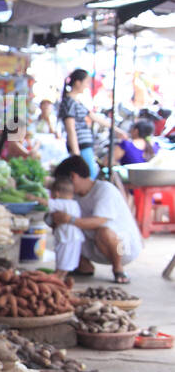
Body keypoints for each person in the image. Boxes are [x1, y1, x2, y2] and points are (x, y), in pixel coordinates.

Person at [50, 155, 142, 284]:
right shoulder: (72, 195)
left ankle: (118, 268)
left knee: (103, 231)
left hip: (122, 248)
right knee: (66, 231)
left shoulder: (105, 190)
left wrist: (69, 219)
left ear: (73, 177)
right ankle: (84, 266)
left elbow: (99, 221)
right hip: (95, 244)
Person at [58, 69, 100, 180]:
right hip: (80, 145)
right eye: (86, 82)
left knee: (89, 174)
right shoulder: (69, 102)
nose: (88, 86)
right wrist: (76, 155)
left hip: (84, 143)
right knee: (88, 175)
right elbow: (71, 129)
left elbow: (93, 116)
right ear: (78, 83)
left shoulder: (77, 101)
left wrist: (116, 129)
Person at [46, 177, 85, 281]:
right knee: (69, 260)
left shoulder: (61, 203)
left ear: (56, 193)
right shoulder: (75, 204)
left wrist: (31, 197)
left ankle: (56, 277)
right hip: (75, 236)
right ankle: (61, 277)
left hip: (66, 237)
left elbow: (46, 203)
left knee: (62, 259)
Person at [31, 98, 68, 167]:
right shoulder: (35, 119)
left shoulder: (55, 120)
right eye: (44, 105)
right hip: (36, 142)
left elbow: (57, 135)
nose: (46, 107)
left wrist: (48, 121)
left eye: (47, 106)